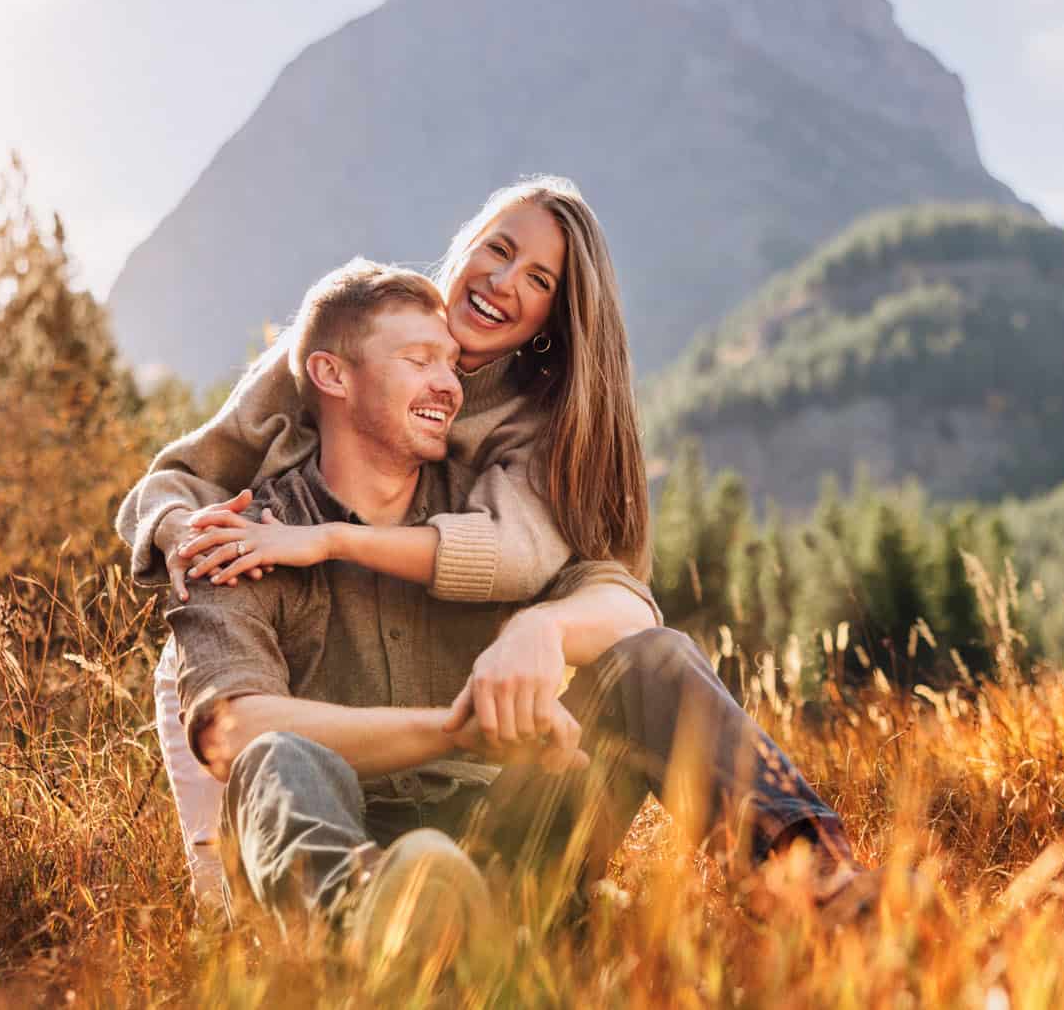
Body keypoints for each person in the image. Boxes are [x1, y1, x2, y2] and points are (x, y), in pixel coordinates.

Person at [165, 259, 877, 976]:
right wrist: (451, 730)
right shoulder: (239, 535)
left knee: (654, 658)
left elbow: (629, 607)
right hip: (350, 849)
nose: (449, 384)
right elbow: (231, 732)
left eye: (450, 362)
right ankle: (392, 937)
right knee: (278, 758)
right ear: (332, 375)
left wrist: (543, 627)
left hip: (512, 839)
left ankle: (823, 892)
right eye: (419, 359)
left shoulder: (496, 514)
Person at [117, 176, 650, 902]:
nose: (503, 282)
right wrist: (191, 530)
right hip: (260, 656)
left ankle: (454, 907)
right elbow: (187, 472)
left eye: (538, 279)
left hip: (441, 753)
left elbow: (522, 559)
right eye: (498, 250)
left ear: (553, 320)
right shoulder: (352, 332)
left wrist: (332, 541)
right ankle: (350, 909)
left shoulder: (536, 427)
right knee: (243, 862)